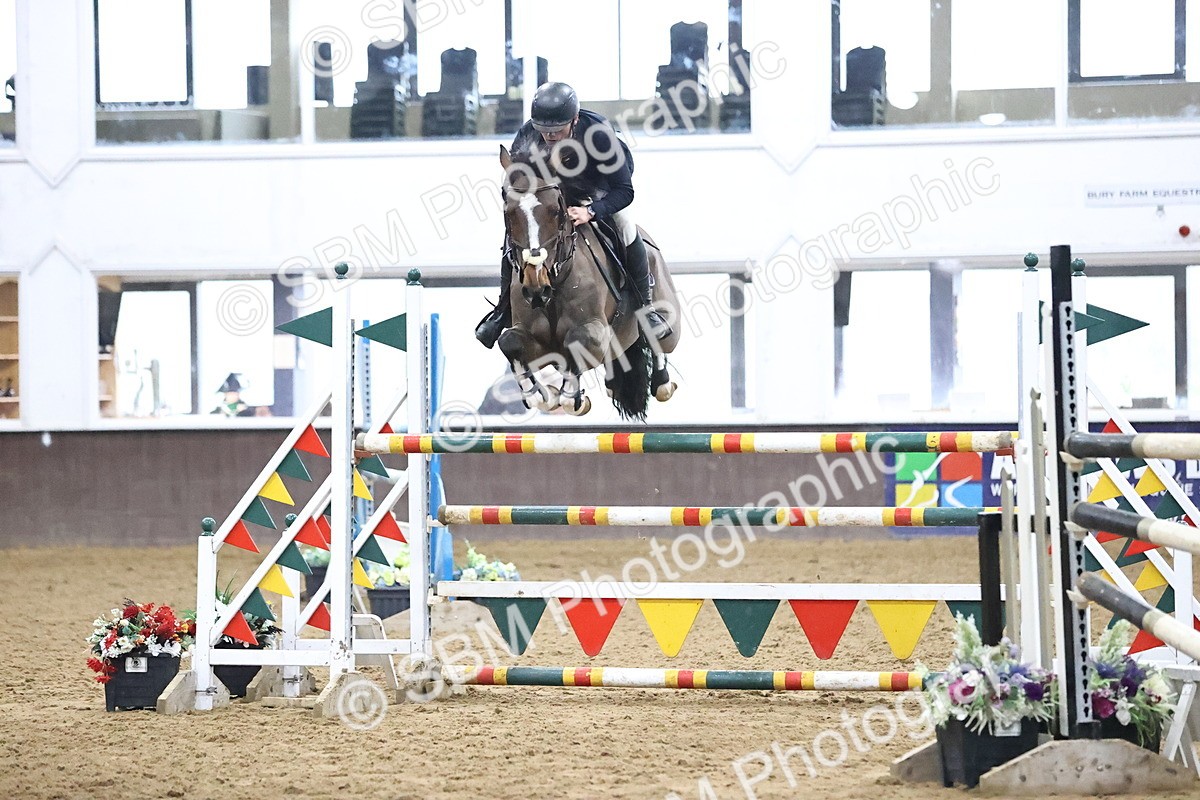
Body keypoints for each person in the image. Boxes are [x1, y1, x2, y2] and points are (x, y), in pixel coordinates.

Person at [475, 81, 672, 348]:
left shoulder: (599, 135)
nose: (550, 136)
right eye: (544, 130)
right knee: (519, 237)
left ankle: (646, 309)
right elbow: (520, 182)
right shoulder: (528, 136)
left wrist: (592, 211)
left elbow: (625, 191)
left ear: (575, 119)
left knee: (625, 225)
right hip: (553, 194)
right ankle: (502, 310)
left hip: (600, 187)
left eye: (557, 130)